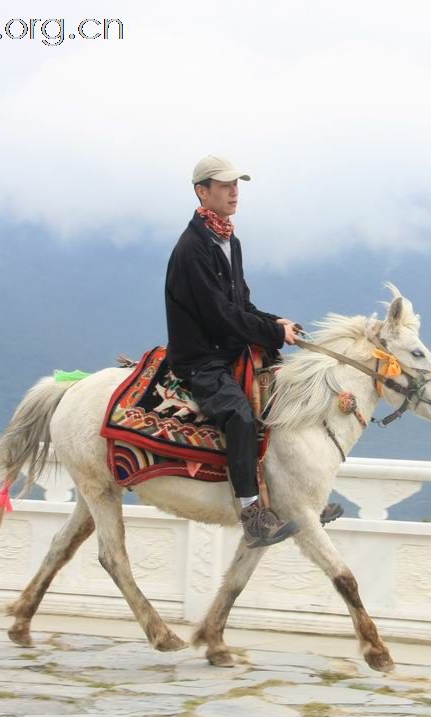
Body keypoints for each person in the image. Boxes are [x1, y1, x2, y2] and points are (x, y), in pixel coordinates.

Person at [163, 154, 305, 548]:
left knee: (282, 399)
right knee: (241, 417)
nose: (233, 192)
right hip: (201, 358)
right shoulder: (192, 248)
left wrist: (277, 323)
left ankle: (288, 501)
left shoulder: (228, 240)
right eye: (224, 185)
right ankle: (252, 514)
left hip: (229, 349)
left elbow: (240, 304)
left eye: (236, 185)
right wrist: (271, 333)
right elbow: (220, 315)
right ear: (201, 191)